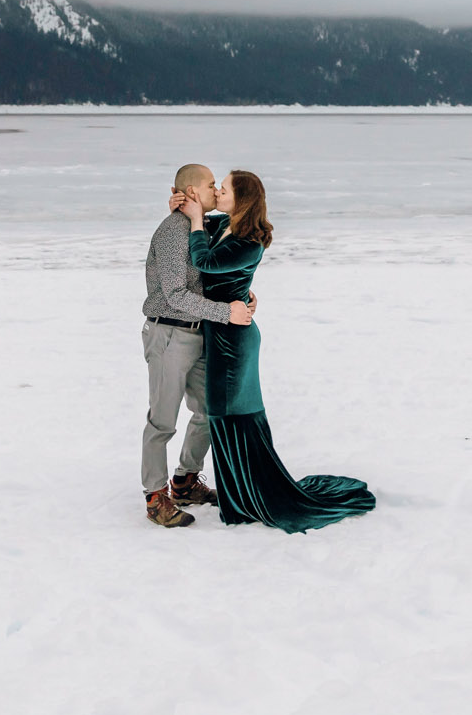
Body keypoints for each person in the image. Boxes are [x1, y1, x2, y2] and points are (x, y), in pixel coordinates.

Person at [178, 169, 376, 533]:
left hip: (232, 339)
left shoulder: (248, 241)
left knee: (228, 413)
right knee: (225, 413)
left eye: (224, 189)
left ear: (241, 200)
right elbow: (206, 226)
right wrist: (190, 210)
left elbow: (204, 263)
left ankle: (246, 496)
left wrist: (193, 221)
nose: (218, 192)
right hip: (226, 326)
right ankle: (239, 490)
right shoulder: (226, 225)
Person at [140, 163, 253, 528]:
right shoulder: (175, 231)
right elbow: (174, 295)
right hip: (169, 333)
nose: (215, 189)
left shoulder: (198, 226)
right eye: (209, 185)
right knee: (162, 421)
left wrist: (242, 296)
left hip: (199, 332)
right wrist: (225, 313)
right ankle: (155, 497)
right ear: (191, 193)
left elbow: (213, 267)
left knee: (208, 411)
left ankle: (186, 481)